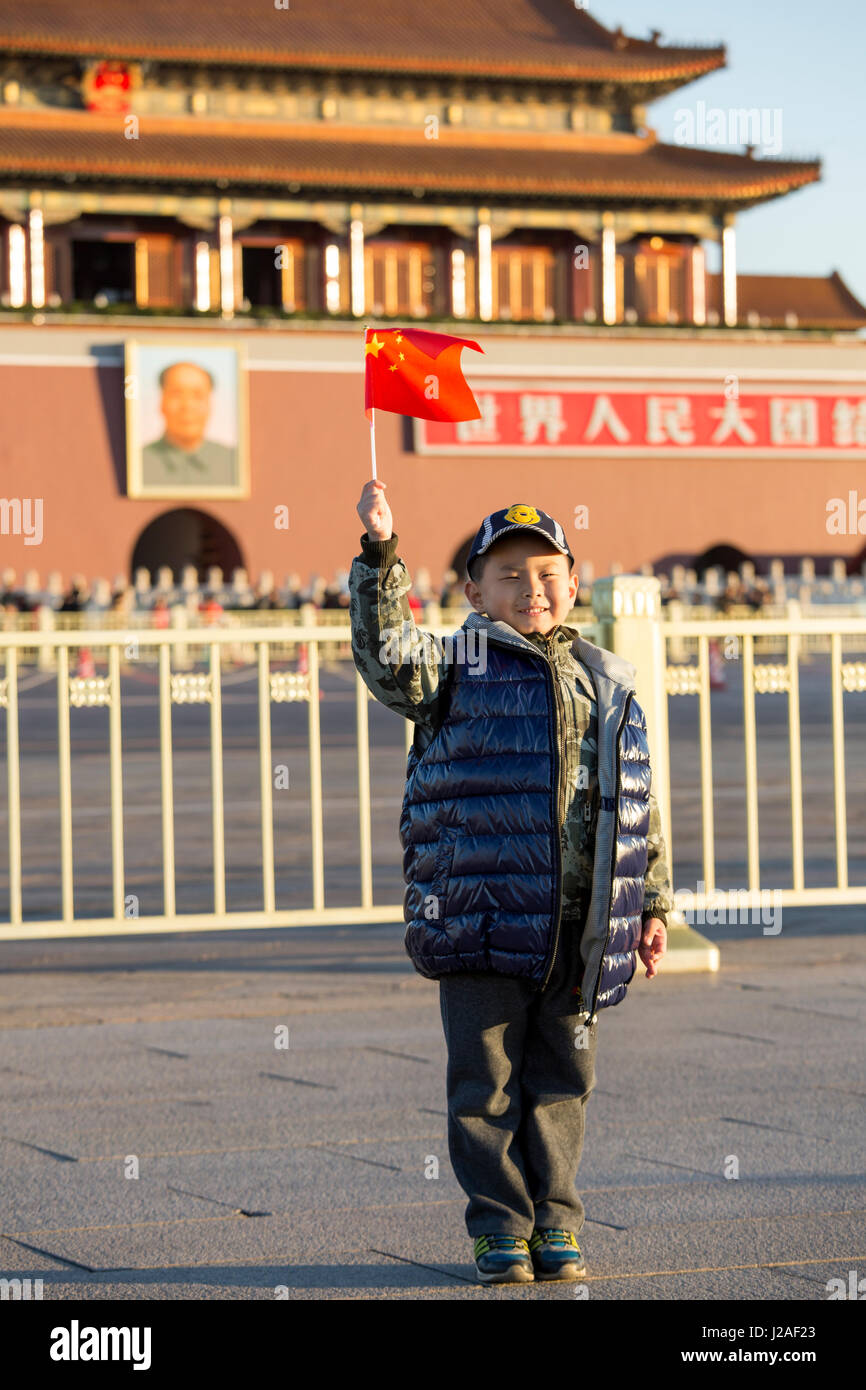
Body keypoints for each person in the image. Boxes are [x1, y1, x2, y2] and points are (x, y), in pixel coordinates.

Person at [349, 485, 673, 1286]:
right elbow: (389, 658)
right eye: (508, 575)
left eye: (546, 573)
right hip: (480, 916)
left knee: (565, 1079)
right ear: (472, 591)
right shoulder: (453, 664)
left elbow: (636, 801)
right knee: (485, 1082)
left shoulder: (602, 677)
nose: (531, 590)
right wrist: (381, 557)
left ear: (573, 581)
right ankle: (499, 1226)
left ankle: (557, 1222)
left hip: (577, 922)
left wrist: (652, 902)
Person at [141, 362, 236, 487]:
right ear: (162, 402)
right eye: (176, 394)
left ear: (210, 404)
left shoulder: (232, 462)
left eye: (198, 395)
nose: (187, 406)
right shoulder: (140, 462)